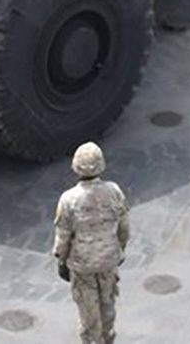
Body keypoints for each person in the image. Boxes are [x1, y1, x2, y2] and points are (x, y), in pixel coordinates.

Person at [53, 141, 130, 344]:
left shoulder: (68, 199)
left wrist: (62, 261)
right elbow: (124, 228)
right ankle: (108, 339)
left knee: (88, 314)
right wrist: (120, 250)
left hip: (82, 265)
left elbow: (63, 238)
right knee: (108, 306)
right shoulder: (114, 191)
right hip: (108, 261)